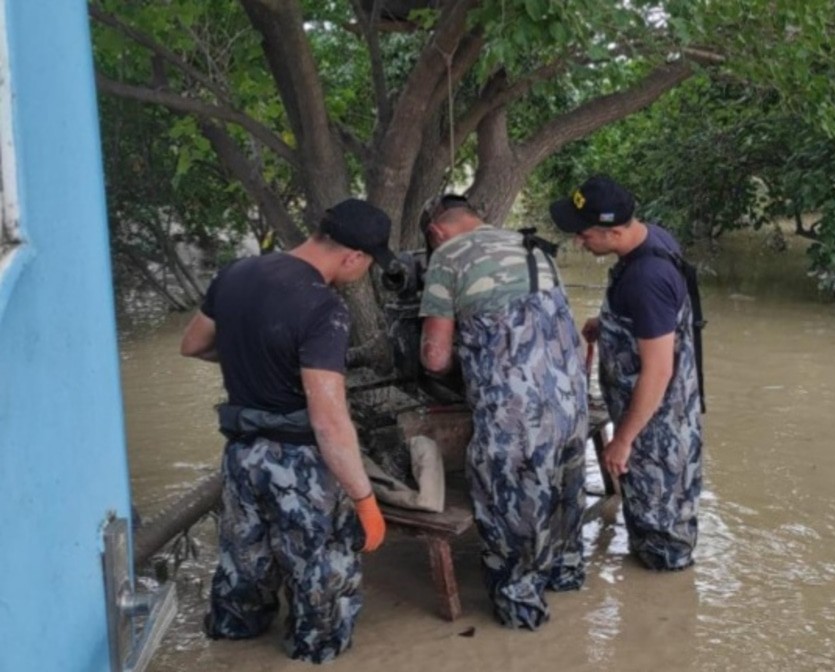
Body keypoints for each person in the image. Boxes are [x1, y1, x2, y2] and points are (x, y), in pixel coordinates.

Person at [180, 198, 392, 663]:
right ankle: (314, 651)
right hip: (299, 465)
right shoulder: (323, 307)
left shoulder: (236, 274)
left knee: (244, 565)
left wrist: (251, 355)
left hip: (241, 456)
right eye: (370, 263)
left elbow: (192, 343)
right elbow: (329, 419)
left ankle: (231, 650)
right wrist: (364, 500)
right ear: (353, 256)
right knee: (321, 578)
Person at [418, 194, 588, 629]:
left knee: (510, 508)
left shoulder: (447, 257)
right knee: (562, 493)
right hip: (571, 406)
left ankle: (521, 616)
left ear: (436, 232)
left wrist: (465, 360)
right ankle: (566, 581)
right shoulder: (534, 247)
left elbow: (434, 357)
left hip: (515, 416)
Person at [549, 176, 703, 571]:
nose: (580, 243)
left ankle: (662, 619)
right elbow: (661, 322)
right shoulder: (652, 241)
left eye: (584, 235)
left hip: (656, 430)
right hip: (665, 417)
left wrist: (623, 440)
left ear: (614, 231)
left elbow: (659, 369)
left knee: (661, 540)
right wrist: (610, 323)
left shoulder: (646, 279)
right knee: (656, 520)